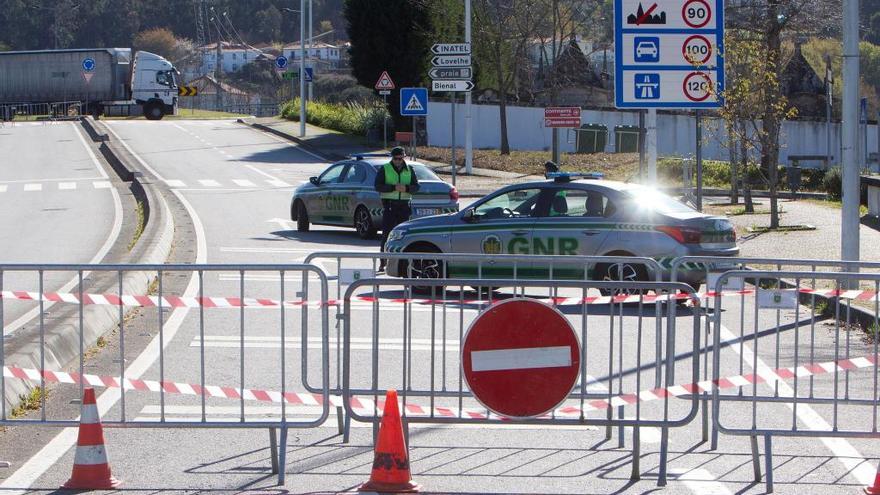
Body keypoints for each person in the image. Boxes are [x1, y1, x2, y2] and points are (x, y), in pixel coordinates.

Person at [374, 146, 420, 271]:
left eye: (400, 158)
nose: (398, 161)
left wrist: (407, 188)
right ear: (392, 158)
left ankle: (403, 263)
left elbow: (416, 187)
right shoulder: (385, 169)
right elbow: (378, 186)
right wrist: (393, 187)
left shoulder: (410, 169)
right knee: (387, 235)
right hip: (390, 205)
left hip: (404, 206)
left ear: (404, 157)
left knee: (404, 236)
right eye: (396, 159)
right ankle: (383, 262)